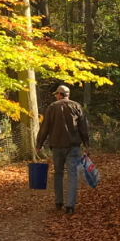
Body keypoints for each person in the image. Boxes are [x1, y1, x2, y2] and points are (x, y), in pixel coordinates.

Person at [36, 85, 89, 216]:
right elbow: (83, 127)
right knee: (72, 175)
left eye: (56, 94)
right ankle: (70, 205)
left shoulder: (52, 107)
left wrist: (39, 144)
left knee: (58, 174)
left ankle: (58, 202)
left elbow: (45, 128)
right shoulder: (77, 106)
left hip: (57, 146)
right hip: (73, 146)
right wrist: (87, 144)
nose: (56, 96)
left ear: (60, 94)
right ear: (68, 95)